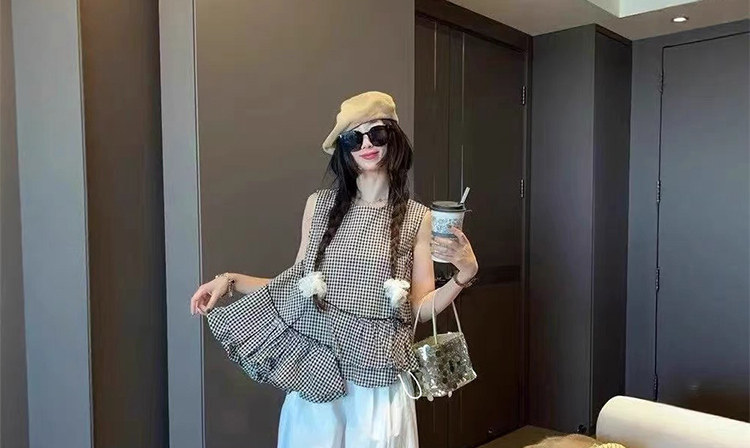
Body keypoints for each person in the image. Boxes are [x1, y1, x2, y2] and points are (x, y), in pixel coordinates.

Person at [189, 91, 479, 448]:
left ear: (393, 139)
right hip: (317, 369)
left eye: (377, 134)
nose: (366, 144)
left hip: (378, 377)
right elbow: (294, 284)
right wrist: (230, 280)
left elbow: (420, 308)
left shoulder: (419, 218)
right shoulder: (318, 205)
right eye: (353, 138)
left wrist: (464, 274)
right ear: (343, 148)